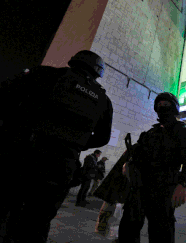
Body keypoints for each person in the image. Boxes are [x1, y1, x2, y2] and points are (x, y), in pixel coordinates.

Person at [0, 50, 113, 242]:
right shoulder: (103, 100)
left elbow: (6, 95)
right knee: (38, 222)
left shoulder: (45, 75)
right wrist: (73, 143)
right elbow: (102, 138)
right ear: (98, 72)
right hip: (62, 165)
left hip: (25, 154)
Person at [118, 92, 186, 243]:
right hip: (140, 186)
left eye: (166, 104)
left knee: (161, 232)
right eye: (159, 105)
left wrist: (183, 184)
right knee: (128, 227)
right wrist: (128, 163)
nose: (162, 107)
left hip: (164, 189)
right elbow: (138, 155)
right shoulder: (150, 132)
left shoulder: (182, 131)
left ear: (174, 108)